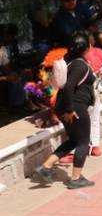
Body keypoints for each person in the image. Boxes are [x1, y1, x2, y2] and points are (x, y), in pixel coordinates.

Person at [31, 32, 98, 189]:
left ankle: (45, 167)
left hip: (66, 107)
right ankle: (75, 179)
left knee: (74, 140)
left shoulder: (72, 63)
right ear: (86, 48)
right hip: (75, 108)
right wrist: (69, 110)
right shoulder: (80, 65)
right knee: (83, 142)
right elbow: (69, 87)